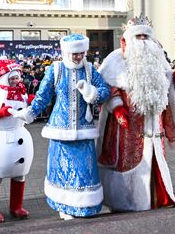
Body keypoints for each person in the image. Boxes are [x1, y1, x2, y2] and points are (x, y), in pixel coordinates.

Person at [12, 34, 110, 220]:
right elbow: (43, 95)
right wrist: (30, 112)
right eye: (75, 54)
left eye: (82, 53)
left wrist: (91, 92)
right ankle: (65, 206)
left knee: (85, 171)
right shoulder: (55, 69)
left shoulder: (90, 70)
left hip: (83, 129)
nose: (79, 57)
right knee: (63, 171)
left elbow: (105, 91)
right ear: (66, 52)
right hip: (60, 129)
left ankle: (85, 206)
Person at [97, 14, 175, 212]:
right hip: (127, 124)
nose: (143, 41)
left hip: (154, 123)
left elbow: (163, 81)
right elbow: (106, 87)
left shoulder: (158, 57)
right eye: (139, 37)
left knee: (154, 158)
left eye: (146, 37)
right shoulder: (114, 59)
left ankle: (158, 197)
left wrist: (172, 77)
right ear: (128, 38)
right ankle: (125, 201)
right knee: (128, 161)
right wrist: (117, 107)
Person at [0, 59, 35, 223]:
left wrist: (32, 106)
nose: (15, 80)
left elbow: (28, 117)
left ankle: (16, 206)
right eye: (11, 77)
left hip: (20, 137)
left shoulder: (22, 93)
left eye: (17, 77)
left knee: (20, 175)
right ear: (3, 77)